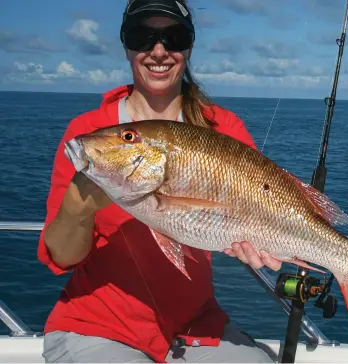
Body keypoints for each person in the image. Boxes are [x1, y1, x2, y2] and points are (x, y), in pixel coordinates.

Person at [38, 0, 282, 362]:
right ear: (125, 45)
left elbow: (256, 206)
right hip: (99, 326)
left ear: (189, 47)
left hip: (196, 326)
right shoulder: (89, 135)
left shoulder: (222, 129)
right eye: (143, 37)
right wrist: (77, 205)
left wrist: (261, 244)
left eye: (174, 37)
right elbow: (63, 256)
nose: (158, 51)